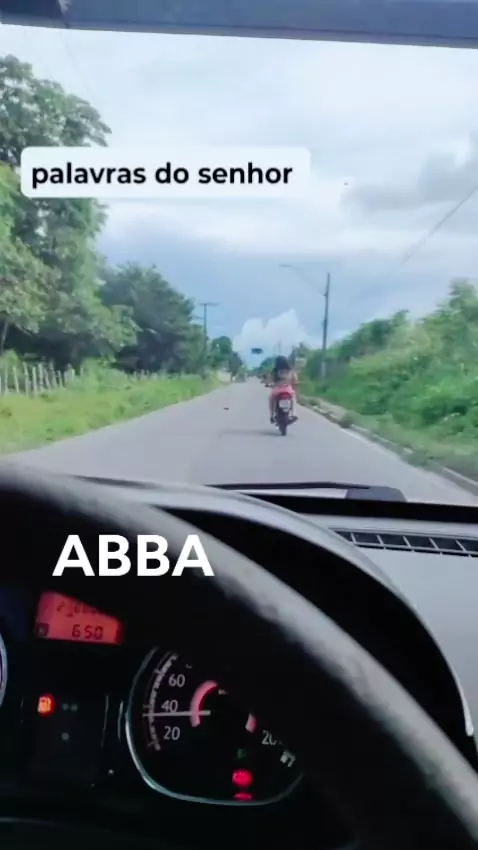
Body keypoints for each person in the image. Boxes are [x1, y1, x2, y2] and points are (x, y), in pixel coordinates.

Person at [268, 355, 298, 422]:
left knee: (271, 399)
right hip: (288, 390)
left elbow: (270, 379)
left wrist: (269, 384)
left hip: (277, 390)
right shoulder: (290, 370)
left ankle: (272, 415)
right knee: (293, 398)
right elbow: (295, 380)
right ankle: (294, 414)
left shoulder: (275, 370)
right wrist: (294, 383)